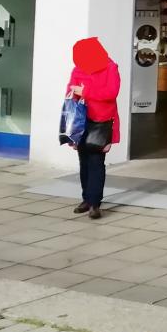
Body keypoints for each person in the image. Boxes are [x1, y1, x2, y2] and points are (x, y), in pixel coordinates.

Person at [67, 37, 120, 219]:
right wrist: (70, 132)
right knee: (84, 162)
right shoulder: (78, 69)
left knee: (96, 162)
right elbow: (70, 93)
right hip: (81, 121)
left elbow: (111, 93)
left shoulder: (110, 68)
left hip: (101, 122)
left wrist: (85, 91)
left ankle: (95, 203)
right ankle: (87, 199)